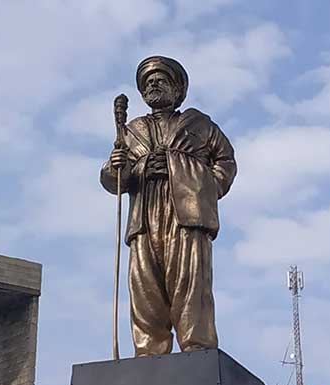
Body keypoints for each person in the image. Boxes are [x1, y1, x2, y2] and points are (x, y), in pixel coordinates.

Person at [100, 56, 237, 356]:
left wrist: (197, 183)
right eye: (148, 82)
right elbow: (113, 180)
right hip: (145, 217)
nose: (153, 85)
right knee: (145, 288)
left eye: (161, 80)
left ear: (177, 90)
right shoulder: (131, 131)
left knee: (190, 284)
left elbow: (225, 162)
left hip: (185, 215)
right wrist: (121, 167)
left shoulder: (200, 125)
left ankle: (197, 347)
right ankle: (149, 352)